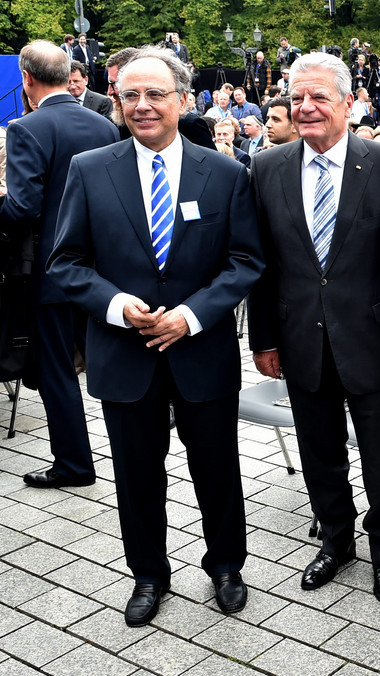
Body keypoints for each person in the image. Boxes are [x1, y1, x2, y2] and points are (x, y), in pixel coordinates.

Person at [47, 46, 263, 627]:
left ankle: (226, 566)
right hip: (124, 352)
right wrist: (118, 305)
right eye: (130, 94)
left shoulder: (224, 173)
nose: (142, 105)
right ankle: (148, 574)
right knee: (137, 475)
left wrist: (189, 316)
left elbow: (244, 261)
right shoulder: (90, 170)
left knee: (217, 469)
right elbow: (65, 263)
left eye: (156, 94)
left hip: (202, 351)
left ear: (183, 100)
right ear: (116, 99)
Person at [248, 52, 380, 604]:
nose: (306, 107)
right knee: (319, 450)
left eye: (319, 96)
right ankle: (335, 540)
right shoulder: (268, 167)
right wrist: (265, 337)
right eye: (297, 97)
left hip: (372, 340)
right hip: (301, 342)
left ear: (348, 102)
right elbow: (263, 263)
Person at [0, 41, 120, 490]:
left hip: (50, 270)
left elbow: (24, 207)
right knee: (107, 362)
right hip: (101, 267)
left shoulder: (27, 128)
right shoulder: (102, 124)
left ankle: (74, 464)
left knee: (56, 371)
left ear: (26, 79)